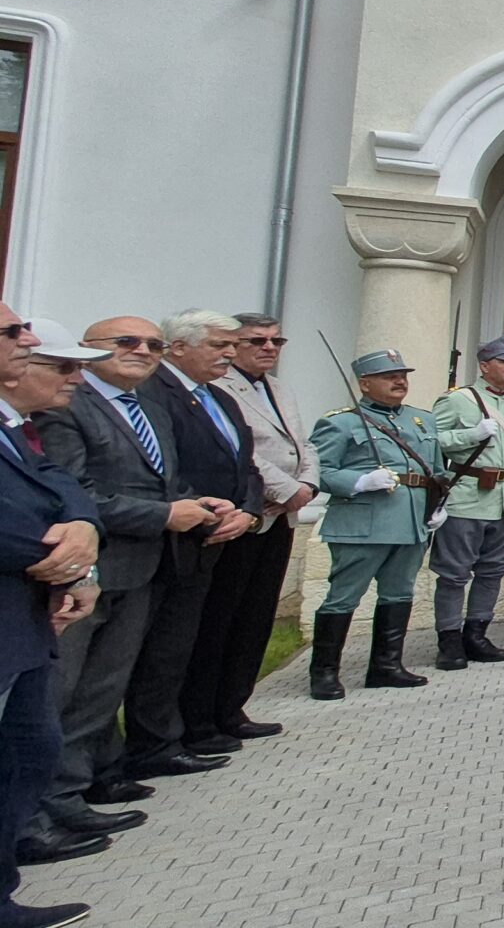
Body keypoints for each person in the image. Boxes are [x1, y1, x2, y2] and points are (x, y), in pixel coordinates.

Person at [21, 318, 226, 864]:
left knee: (101, 688)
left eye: (154, 344)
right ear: (90, 350)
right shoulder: (67, 405)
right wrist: (165, 514)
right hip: (84, 570)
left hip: (142, 567)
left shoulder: (149, 407)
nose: (143, 351)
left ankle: (76, 788)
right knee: (59, 691)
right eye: (127, 342)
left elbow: (163, 482)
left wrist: (199, 503)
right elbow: (74, 495)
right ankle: (42, 805)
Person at [0, 307, 104, 928]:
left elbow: (54, 481)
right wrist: (57, 560)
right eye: (13, 332)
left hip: (23, 621)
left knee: (29, 751)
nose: (29, 339)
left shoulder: (12, 425)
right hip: (17, 597)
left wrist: (84, 530)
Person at [126, 311, 258, 774]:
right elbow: (164, 467)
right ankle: (150, 745)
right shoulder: (151, 392)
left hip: (220, 535)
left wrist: (249, 509)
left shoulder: (219, 396)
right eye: (220, 345)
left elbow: (246, 464)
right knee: (158, 650)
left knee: (190, 643)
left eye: (232, 345)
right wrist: (203, 514)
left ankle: (182, 732)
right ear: (179, 347)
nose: (231, 353)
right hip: (173, 540)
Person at [191, 312, 315, 748]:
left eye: (276, 341)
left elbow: (302, 444)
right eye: (256, 340)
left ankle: (233, 707)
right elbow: (243, 452)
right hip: (244, 516)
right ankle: (202, 715)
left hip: (281, 517)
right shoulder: (218, 387)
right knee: (222, 617)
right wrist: (286, 490)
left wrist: (307, 486)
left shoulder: (280, 388)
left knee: (256, 617)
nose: (269, 348)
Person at [305, 349, 443, 698]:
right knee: (343, 597)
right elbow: (318, 471)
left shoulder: (422, 420)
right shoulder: (340, 422)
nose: (399, 381)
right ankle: (324, 673)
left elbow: (436, 471)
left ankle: (386, 666)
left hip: (411, 523)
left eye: (402, 375)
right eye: (388, 376)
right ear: (364, 384)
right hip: (363, 523)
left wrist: (439, 505)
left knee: (399, 593)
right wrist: (358, 481)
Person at [427, 334, 504, 671]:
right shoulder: (457, 401)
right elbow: (429, 442)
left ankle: (476, 634)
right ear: (485, 366)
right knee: (454, 574)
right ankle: (449, 640)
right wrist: (469, 435)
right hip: (467, 498)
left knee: (493, 572)